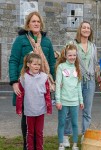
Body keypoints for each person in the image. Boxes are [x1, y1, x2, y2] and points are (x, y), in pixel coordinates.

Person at [9, 11, 56, 150]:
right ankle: (27, 146)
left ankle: (38, 146)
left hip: (42, 86)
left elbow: (52, 63)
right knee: (26, 118)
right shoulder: (21, 40)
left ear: (41, 24)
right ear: (28, 24)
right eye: (33, 21)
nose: (36, 23)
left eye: (38, 21)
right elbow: (13, 60)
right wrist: (14, 81)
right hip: (25, 85)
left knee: (39, 119)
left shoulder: (47, 41)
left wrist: (53, 81)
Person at [63, 21, 98, 147]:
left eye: (88, 28)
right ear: (80, 29)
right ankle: (66, 135)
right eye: (84, 27)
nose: (86, 29)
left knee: (87, 111)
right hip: (74, 81)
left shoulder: (93, 46)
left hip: (90, 82)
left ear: (90, 31)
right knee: (71, 109)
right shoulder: (72, 44)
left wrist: (99, 79)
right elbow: (64, 61)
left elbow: (94, 64)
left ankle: (85, 135)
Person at [16, 53, 52, 150]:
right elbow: (20, 94)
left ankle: (40, 148)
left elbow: (47, 93)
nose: (37, 66)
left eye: (39, 64)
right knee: (30, 133)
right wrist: (19, 109)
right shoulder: (23, 78)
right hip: (29, 110)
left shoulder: (44, 77)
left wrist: (49, 108)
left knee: (39, 132)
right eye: (35, 64)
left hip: (40, 110)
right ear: (28, 64)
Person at [55, 44, 84, 150]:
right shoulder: (61, 67)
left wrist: (81, 100)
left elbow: (79, 86)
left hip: (75, 102)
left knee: (75, 123)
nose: (72, 57)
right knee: (62, 122)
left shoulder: (77, 68)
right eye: (70, 55)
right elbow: (58, 85)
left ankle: (75, 144)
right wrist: (58, 100)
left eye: (74, 55)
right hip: (63, 101)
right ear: (65, 55)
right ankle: (61, 143)